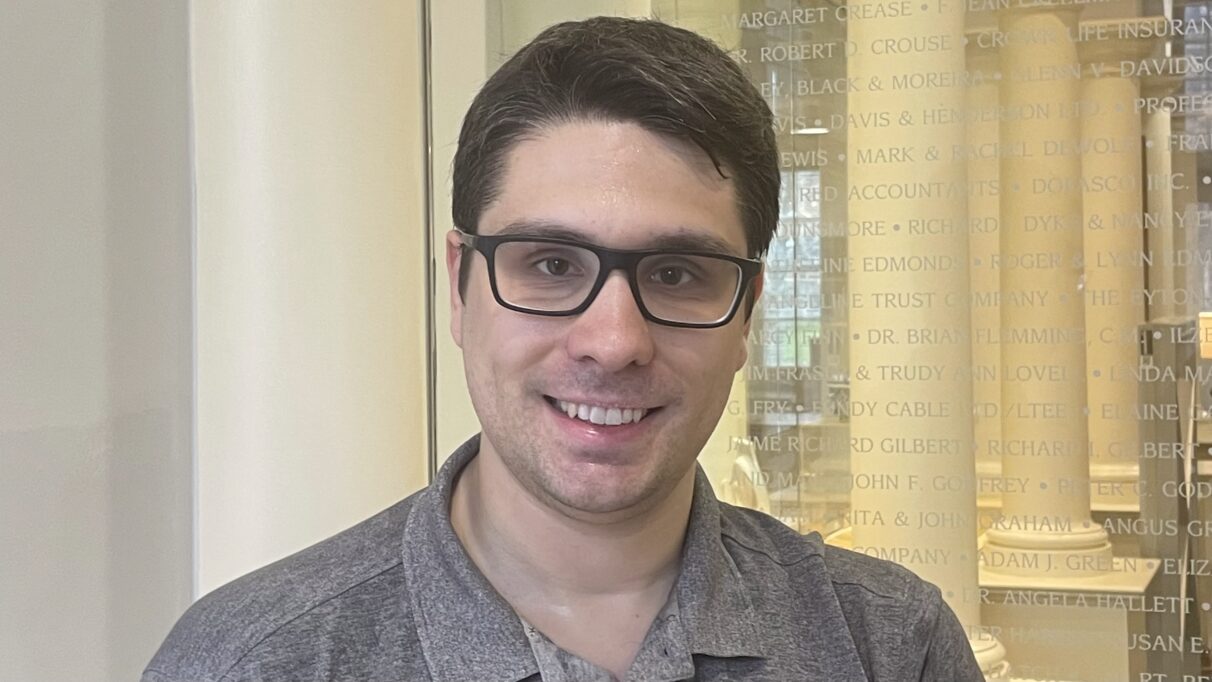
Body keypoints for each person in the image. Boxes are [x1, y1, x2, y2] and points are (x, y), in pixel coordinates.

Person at [144, 16, 983, 682]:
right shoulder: (248, 663)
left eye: (678, 273)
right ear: (459, 287)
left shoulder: (889, 647)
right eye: (550, 264)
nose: (614, 341)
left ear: (747, 315)